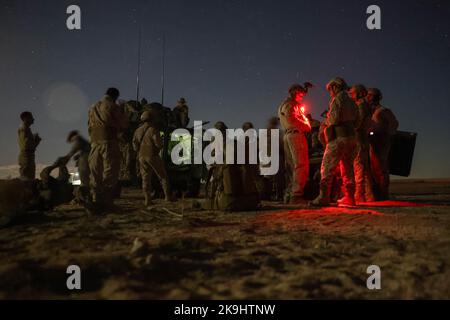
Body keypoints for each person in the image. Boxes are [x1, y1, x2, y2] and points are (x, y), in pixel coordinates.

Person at [311, 77, 358, 207]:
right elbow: (357, 120)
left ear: (335, 87)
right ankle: (350, 197)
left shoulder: (338, 99)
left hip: (338, 138)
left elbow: (333, 119)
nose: (330, 92)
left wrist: (325, 122)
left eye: (330, 89)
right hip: (351, 138)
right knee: (347, 167)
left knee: (327, 167)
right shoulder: (352, 101)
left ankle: (323, 197)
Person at [87, 87, 128, 211]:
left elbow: (89, 125)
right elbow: (124, 123)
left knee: (95, 170)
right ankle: (107, 201)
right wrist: (123, 110)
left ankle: (95, 198)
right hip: (108, 141)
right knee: (110, 170)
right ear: (115, 96)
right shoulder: (112, 106)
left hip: (94, 142)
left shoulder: (92, 106)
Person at [277, 82, 313, 204]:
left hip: (289, 135)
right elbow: (291, 119)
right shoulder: (290, 104)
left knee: (292, 166)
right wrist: (306, 125)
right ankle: (296, 195)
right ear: (294, 92)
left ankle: (291, 194)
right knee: (301, 164)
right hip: (295, 134)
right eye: (300, 94)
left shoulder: (287, 104)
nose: (301, 96)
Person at [133, 110, 173, 206]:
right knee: (162, 176)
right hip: (152, 155)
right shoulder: (153, 130)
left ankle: (147, 199)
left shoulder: (137, 130)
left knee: (145, 178)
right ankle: (167, 197)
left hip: (141, 156)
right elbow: (158, 144)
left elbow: (134, 145)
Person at [367, 88, 399, 200]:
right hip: (371, 141)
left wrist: (387, 137)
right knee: (372, 168)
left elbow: (394, 124)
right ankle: (376, 194)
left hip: (381, 141)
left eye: (371, 95)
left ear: (377, 97)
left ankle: (384, 194)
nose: (368, 97)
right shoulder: (369, 111)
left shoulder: (383, 111)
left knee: (381, 167)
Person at [348, 85, 375, 203]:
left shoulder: (361, 105)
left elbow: (357, 122)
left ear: (358, 93)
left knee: (358, 166)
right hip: (364, 137)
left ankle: (359, 194)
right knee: (364, 167)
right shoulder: (366, 105)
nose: (351, 95)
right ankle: (369, 195)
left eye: (353, 93)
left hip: (359, 137)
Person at [17, 111, 41, 181]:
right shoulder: (23, 129)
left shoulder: (26, 129)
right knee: (26, 179)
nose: (33, 119)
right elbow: (26, 146)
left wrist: (35, 142)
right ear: (26, 118)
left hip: (29, 155)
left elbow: (29, 146)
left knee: (30, 178)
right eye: (31, 117)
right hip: (26, 156)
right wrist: (35, 141)